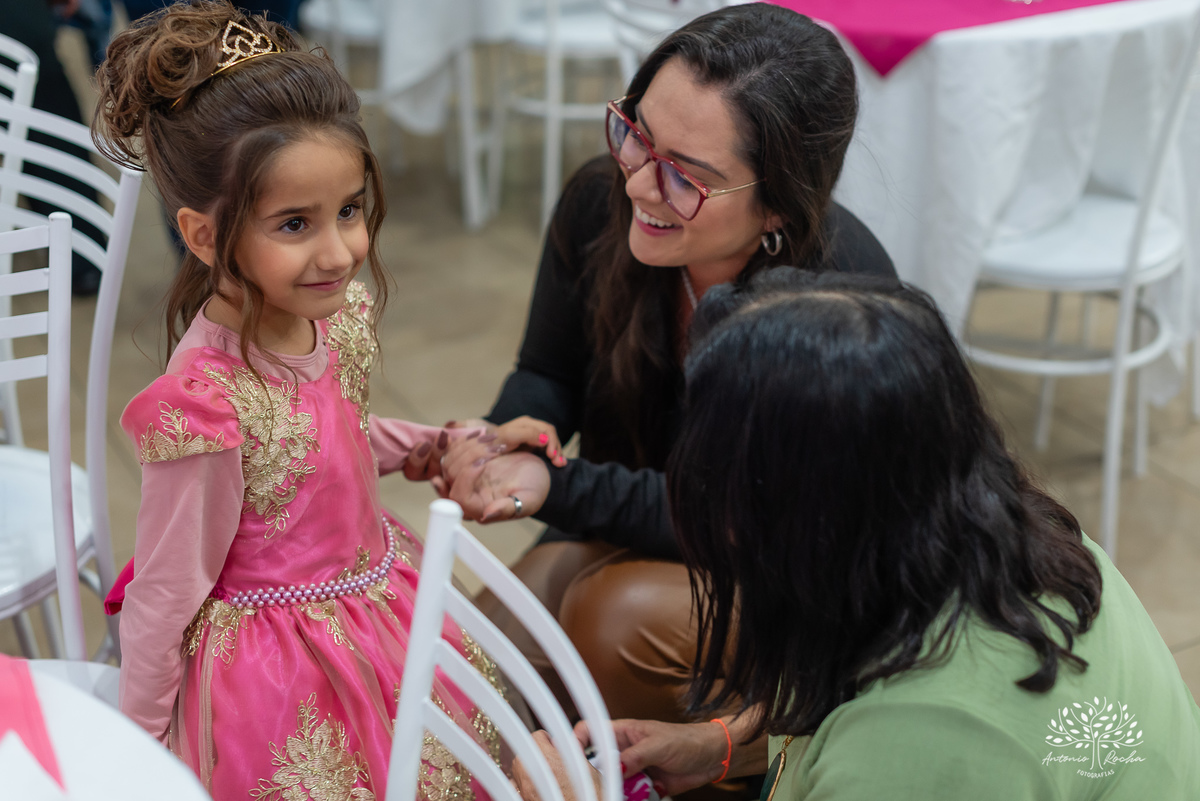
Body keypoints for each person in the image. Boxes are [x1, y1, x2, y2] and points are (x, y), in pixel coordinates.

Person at [512, 270, 1200, 800]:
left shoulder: (921, 736)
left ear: (805, 515)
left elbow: (905, 754)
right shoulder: (1024, 543)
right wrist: (719, 747)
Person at [92, 3, 542, 797]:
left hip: (377, 601)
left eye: (350, 211)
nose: (339, 251)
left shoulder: (330, 313)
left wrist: (426, 442)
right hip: (274, 670)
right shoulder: (202, 405)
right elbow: (166, 592)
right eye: (295, 223)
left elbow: (329, 434)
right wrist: (135, 753)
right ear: (203, 235)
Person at [429, 3, 896, 727]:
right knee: (465, 666)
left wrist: (554, 484)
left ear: (778, 206)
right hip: (631, 518)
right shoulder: (600, 203)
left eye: (686, 174)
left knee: (607, 617)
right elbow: (547, 369)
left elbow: (741, 525)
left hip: (784, 577)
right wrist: (504, 434)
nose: (640, 183)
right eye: (635, 133)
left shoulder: (835, 299)